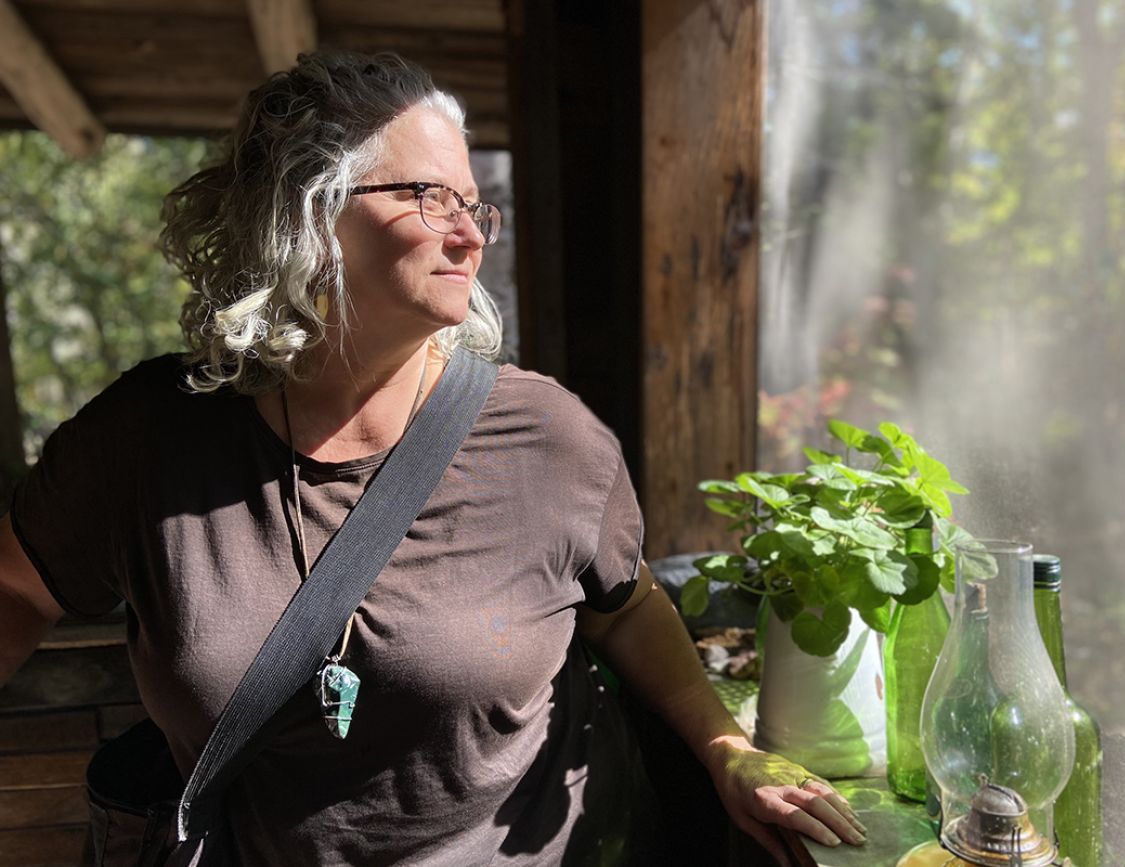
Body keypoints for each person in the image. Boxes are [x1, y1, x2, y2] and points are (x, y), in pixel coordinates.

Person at [0, 50, 867, 866]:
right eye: (429, 197)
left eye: (474, 205)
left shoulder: (550, 441)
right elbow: (18, 586)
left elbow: (626, 604)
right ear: (309, 210)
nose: (472, 236)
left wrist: (728, 748)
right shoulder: (149, 436)